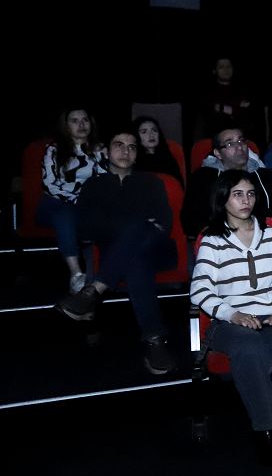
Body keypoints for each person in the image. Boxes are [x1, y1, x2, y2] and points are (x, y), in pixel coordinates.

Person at [190, 170, 272, 467]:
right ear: (223, 199)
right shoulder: (212, 240)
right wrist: (234, 314)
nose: (246, 200)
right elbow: (200, 291)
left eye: (250, 194)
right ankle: (265, 427)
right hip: (228, 323)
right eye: (237, 194)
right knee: (249, 348)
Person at [56, 127, 178, 375]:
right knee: (136, 259)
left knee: (138, 231)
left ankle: (94, 290)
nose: (126, 151)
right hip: (123, 256)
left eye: (132, 147)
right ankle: (155, 341)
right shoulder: (93, 185)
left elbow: (163, 224)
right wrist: (135, 225)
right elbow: (85, 228)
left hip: (157, 249)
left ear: (137, 154)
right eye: (119, 145)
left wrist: (121, 226)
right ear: (107, 152)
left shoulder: (151, 182)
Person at [39, 107, 108, 294]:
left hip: (87, 206)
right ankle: (76, 274)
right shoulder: (53, 149)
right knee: (65, 212)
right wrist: (77, 200)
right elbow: (49, 185)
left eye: (85, 120)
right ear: (66, 126)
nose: (81, 124)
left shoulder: (100, 149)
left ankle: (99, 276)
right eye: (75, 121)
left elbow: (105, 180)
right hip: (55, 202)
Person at [181, 126, 272, 237]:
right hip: (219, 239)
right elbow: (192, 223)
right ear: (218, 153)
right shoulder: (203, 179)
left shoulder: (267, 176)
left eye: (241, 141)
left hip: (269, 238)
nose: (239, 147)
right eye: (230, 144)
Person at [133, 115, 183, 185]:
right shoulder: (134, 161)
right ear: (136, 136)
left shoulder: (168, 157)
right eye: (144, 132)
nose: (151, 135)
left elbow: (179, 184)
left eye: (154, 130)